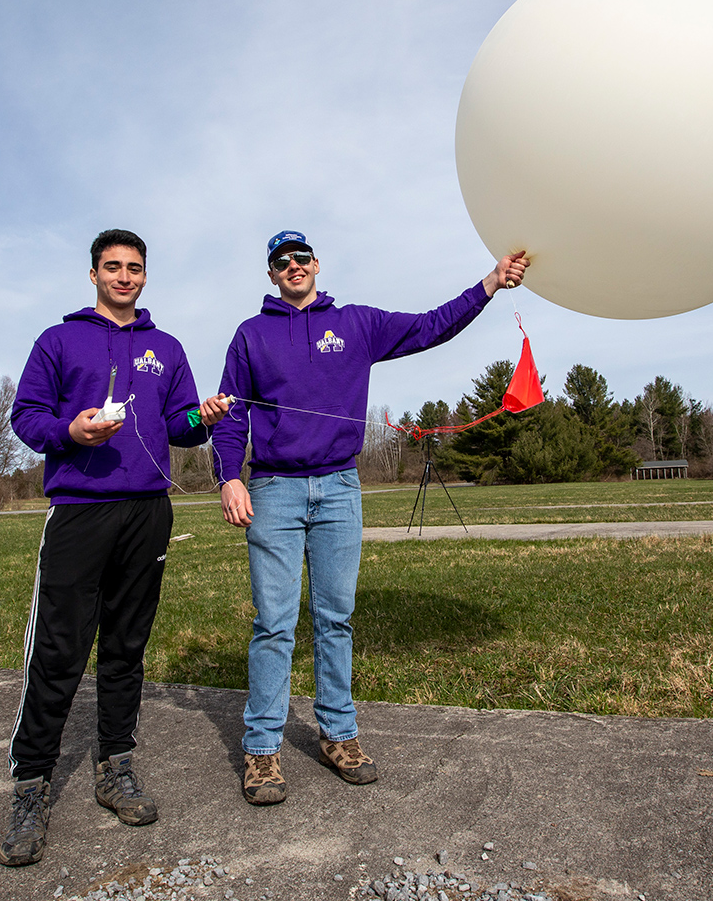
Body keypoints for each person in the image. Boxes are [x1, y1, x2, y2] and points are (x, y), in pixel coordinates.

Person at [211, 231, 528, 805]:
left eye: (301, 257)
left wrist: (491, 282)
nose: (293, 267)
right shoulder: (250, 336)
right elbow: (231, 416)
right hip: (274, 491)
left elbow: (432, 325)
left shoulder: (356, 323)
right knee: (274, 623)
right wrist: (229, 476)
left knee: (335, 619)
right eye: (281, 262)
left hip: (339, 487)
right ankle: (261, 750)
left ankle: (340, 735)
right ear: (271, 275)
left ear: (315, 263)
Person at [0, 228, 229, 866]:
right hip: (78, 512)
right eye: (112, 267)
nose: (123, 277)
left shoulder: (168, 347)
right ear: (94, 274)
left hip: (147, 513)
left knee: (127, 646)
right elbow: (25, 417)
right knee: (59, 650)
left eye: (133, 268)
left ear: (146, 277)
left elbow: (180, 428)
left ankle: (115, 765)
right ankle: (30, 783)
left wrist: (202, 418)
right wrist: (70, 430)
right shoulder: (59, 340)